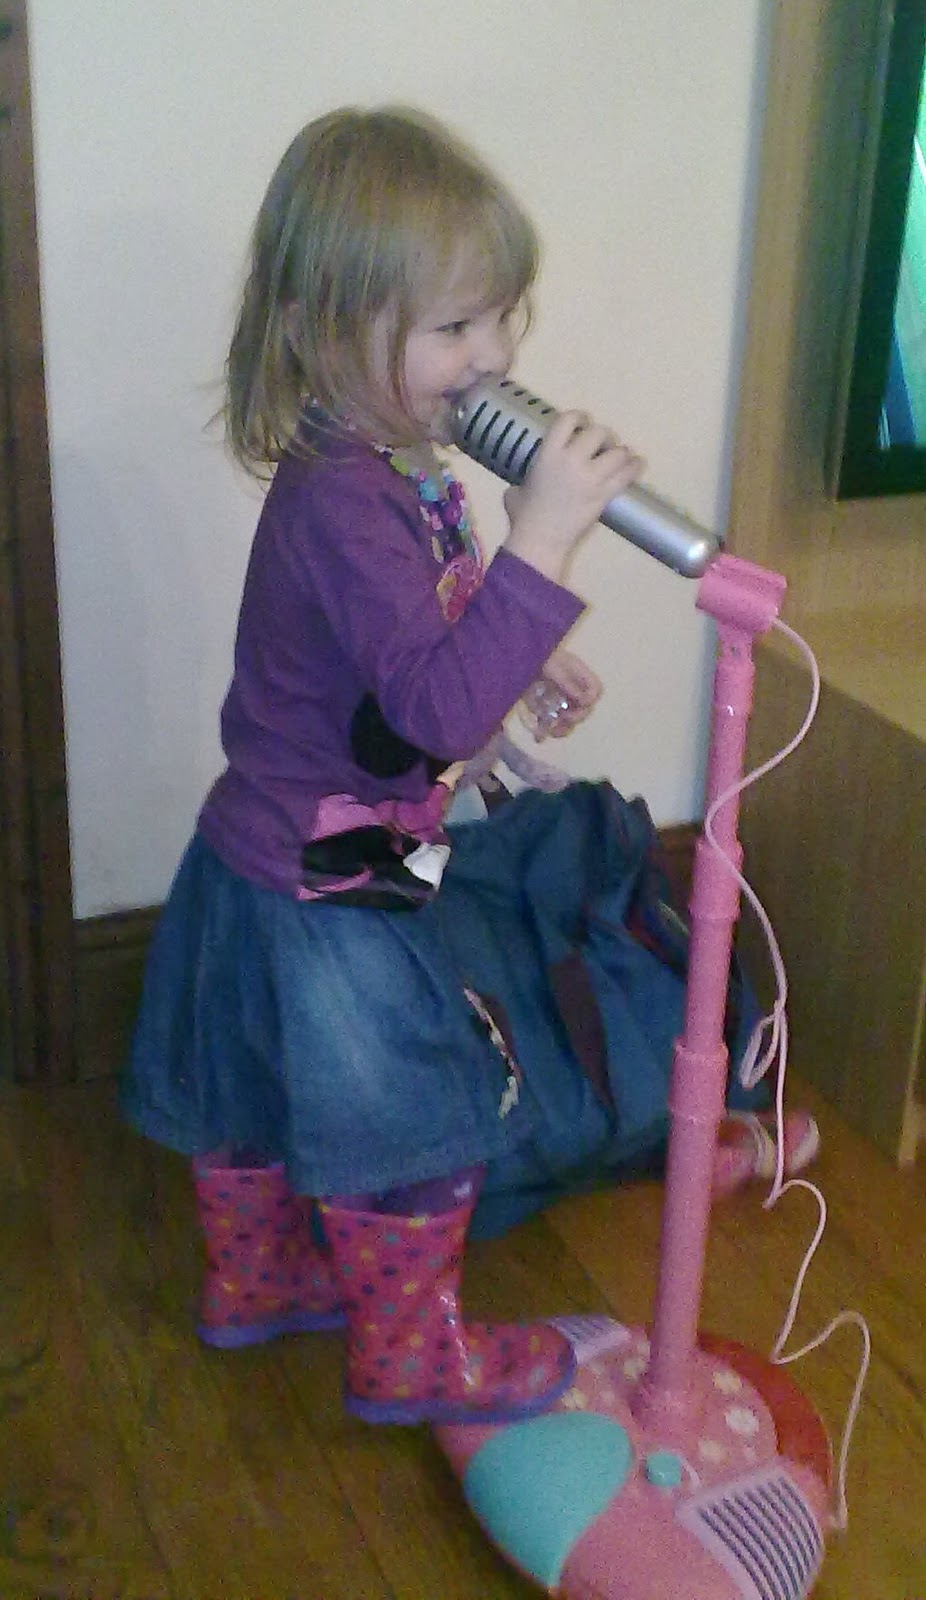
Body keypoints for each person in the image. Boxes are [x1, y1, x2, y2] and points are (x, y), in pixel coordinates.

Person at [123, 105, 817, 1428]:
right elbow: (430, 711)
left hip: (279, 844)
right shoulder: (342, 503)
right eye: (455, 327)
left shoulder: (389, 464)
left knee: (261, 1078)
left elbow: (396, 674)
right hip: (331, 878)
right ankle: (409, 1358)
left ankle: (258, 1280)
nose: (494, 355)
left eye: (503, 317)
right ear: (324, 328)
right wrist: (538, 548)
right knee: (417, 1111)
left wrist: (514, 656)